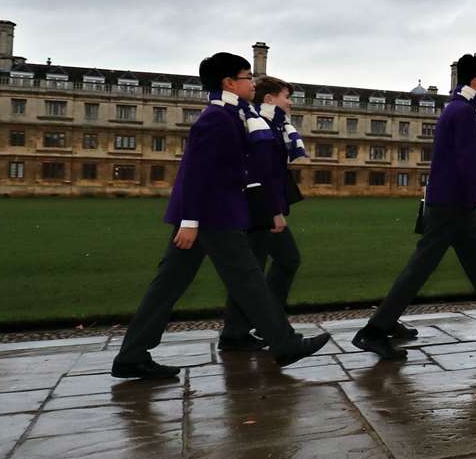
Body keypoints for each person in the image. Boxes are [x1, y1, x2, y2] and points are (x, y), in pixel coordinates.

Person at [112, 52, 329, 379]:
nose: (252, 83)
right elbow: (199, 173)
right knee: (250, 280)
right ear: (229, 82)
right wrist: (190, 221)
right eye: (246, 77)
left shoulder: (234, 115)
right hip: (211, 216)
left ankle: (131, 355)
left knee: (168, 286)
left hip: (209, 214)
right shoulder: (217, 119)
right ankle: (285, 344)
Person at [353, 54, 476, 360]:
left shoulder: (459, 109)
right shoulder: (462, 113)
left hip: (454, 203)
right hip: (451, 204)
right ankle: (373, 331)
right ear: (475, 82)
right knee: (420, 269)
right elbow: (467, 163)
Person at [218, 75, 307, 351]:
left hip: (262, 208)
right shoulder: (264, 125)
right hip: (260, 210)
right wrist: (274, 211)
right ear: (269, 99)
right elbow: (262, 172)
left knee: (257, 271)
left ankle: (237, 331)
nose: (290, 103)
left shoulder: (274, 125)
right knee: (275, 265)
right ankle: (270, 327)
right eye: (286, 96)